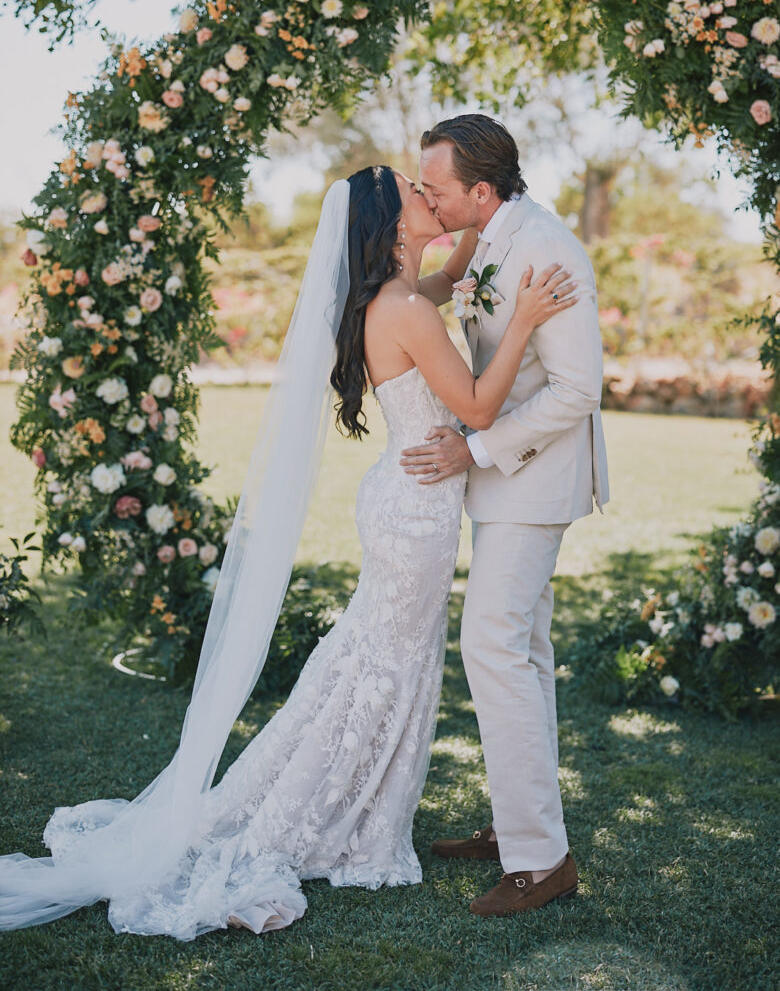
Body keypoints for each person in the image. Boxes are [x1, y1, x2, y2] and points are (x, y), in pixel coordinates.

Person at [0, 164, 575, 939]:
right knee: (381, 666)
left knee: (371, 660)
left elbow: (444, 280)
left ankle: (342, 803)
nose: (426, 194)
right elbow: (475, 405)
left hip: (405, 497)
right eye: (414, 191)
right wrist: (529, 318)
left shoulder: (396, 297)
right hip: (416, 507)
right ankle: (322, 818)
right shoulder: (402, 307)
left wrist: (474, 230)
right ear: (388, 223)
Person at [400, 114, 609, 917]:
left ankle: (539, 859)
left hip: (533, 480)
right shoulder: (485, 237)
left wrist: (476, 451)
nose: (426, 195)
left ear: (481, 191)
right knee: (519, 646)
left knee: (490, 641)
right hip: (505, 482)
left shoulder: (548, 248)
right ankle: (519, 825)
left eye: (436, 188)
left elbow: (577, 391)